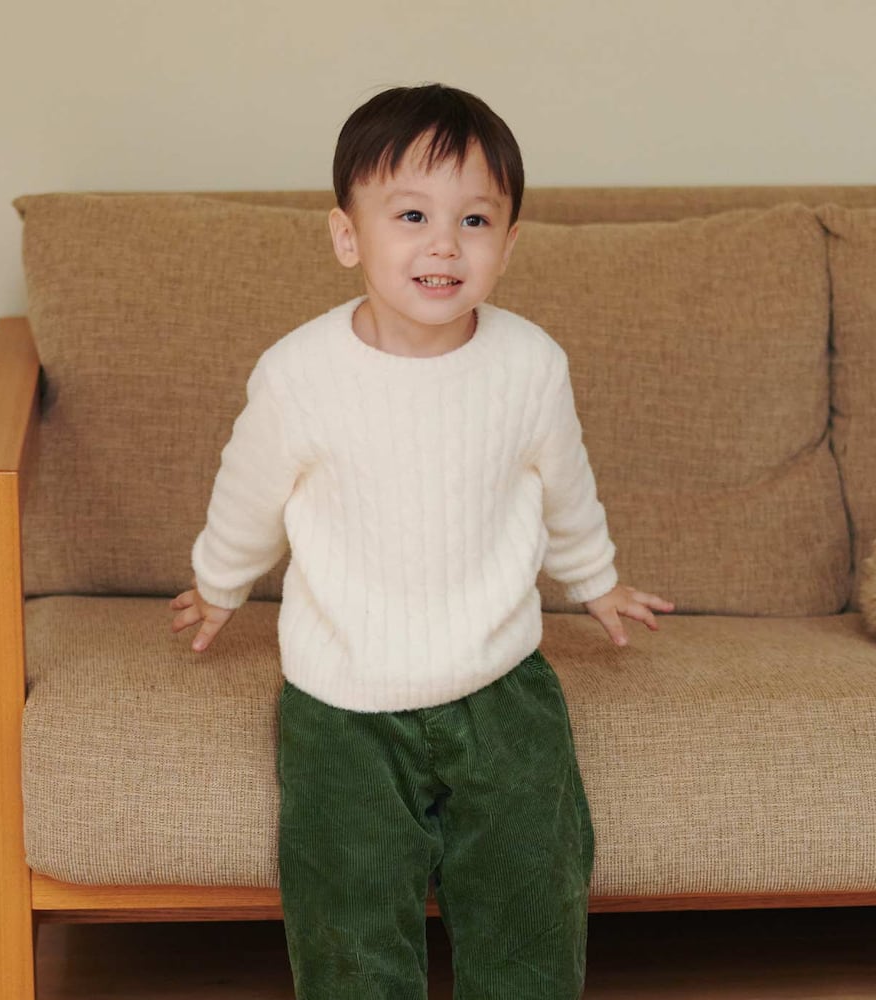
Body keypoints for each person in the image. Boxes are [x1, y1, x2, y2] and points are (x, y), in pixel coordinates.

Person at [169, 83, 672, 1000]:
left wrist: (597, 580)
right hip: (341, 704)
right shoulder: (299, 374)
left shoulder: (530, 365)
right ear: (347, 236)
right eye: (411, 214)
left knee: (530, 902)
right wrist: (218, 583)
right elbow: (249, 491)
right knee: (349, 924)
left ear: (509, 243)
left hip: (501, 688)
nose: (444, 243)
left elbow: (564, 483)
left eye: (475, 219)